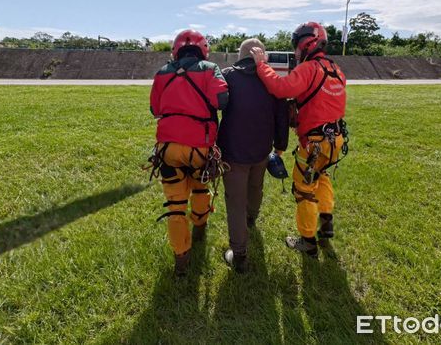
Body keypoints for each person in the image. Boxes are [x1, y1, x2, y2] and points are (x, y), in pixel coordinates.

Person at [250, 22, 347, 258]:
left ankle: (307, 241)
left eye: (296, 48)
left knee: (304, 188)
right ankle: (326, 229)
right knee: (322, 178)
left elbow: (280, 88)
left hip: (314, 143)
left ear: (305, 44)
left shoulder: (309, 69)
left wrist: (261, 65)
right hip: (335, 140)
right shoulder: (336, 69)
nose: (295, 53)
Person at [149, 29, 229, 276]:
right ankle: (200, 225)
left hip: (168, 148)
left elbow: (154, 109)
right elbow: (222, 100)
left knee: (175, 206)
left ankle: (181, 257)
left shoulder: (162, 73)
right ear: (202, 49)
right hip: (200, 146)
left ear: (176, 50)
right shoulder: (209, 68)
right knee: (201, 187)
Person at [217, 38, 289, 273]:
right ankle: (251, 220)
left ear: (240, 55)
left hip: (232, 151)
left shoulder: (228, 76)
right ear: (261, 56)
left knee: (235, 202)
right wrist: (280, 146)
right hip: (261, 149)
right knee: (256, 188)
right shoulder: (271, 79)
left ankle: (239, 254)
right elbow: (282, 115)